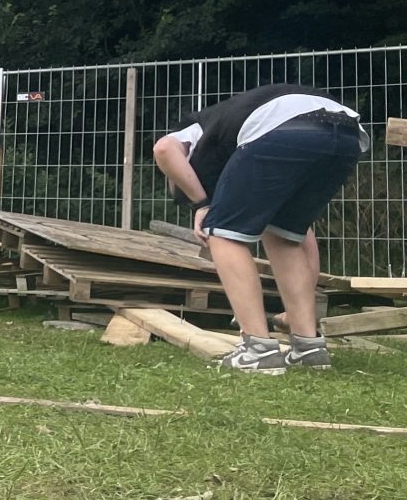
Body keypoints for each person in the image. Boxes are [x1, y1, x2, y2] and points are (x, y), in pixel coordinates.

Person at [152, 83, 365, 373]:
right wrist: (295, 309)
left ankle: (258, 350)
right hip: (346, 132)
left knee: (223, 233)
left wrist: (201, 204)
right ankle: (308, 347)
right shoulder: (236, 128)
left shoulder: (194, 130)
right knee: (284, 234)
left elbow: (164, 149)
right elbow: (302, 240)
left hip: (285, 128)